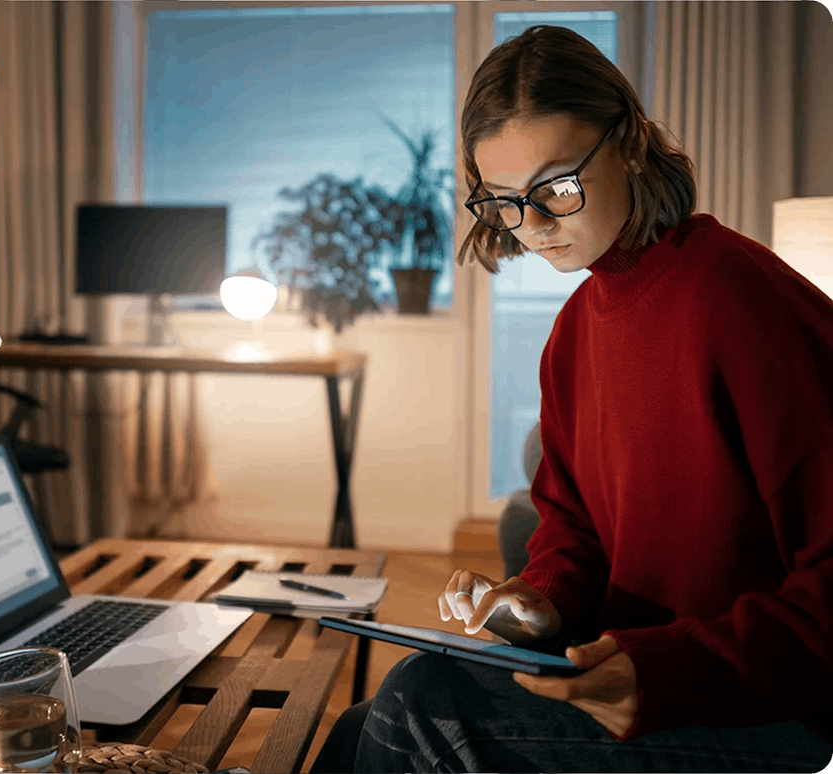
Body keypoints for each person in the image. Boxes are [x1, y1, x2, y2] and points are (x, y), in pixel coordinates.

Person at [309, 24, 833, 774]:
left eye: (556, 187)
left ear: (629, 141)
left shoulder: (739, 300)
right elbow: (573, 531)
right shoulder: (575, 332)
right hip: (638, 672)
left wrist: (671, 668)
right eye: (503, 202)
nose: (534, 227)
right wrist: (537, 601)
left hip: (786, 709)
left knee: (424, 709)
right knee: (362, 725)